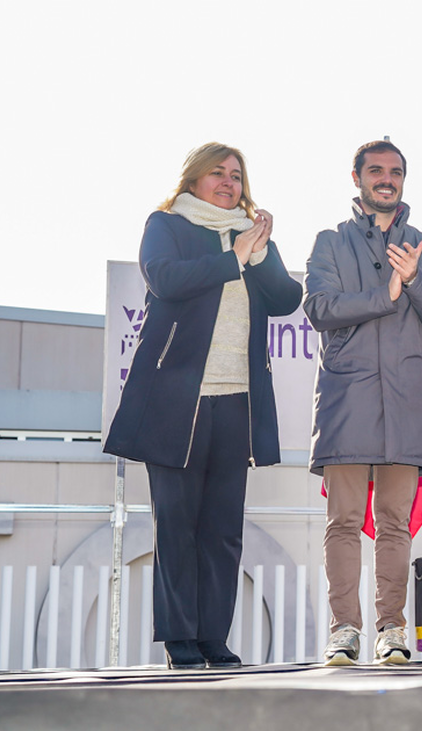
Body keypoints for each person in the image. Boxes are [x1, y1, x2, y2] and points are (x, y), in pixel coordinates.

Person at [104, 142, 302, 670]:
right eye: (218, 172)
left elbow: (286, 299)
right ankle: (180, 641)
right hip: (174, 404)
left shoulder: (252, 236)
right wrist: (230, 259)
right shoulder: (166, 224)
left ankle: (215, 638)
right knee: (177, 525)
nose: (228, 182)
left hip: (236, 401)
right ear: (193, 179)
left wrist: (256, 253)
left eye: (236, 175)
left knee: (222, 528)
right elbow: (164, 279)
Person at [304, 140, 422, 665]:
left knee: (396, 522)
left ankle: (392, 629)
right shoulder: (330, 242)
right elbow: (319, 308)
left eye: (395, 172)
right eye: (376, 171)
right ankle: (344, 629)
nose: (386, 179)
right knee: (344, 521)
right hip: (347, 397)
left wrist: (414, 279)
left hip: (406, 400)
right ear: (357, 178)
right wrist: (386, 295)